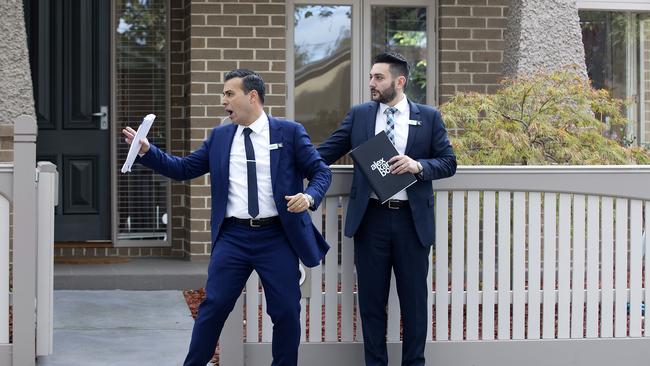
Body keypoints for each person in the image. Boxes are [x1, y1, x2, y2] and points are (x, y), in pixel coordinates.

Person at [122, 69, 331, 366]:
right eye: (223, 95)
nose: (223, 101)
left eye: (229, 94)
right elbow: (184, 169)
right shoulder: (221, 136)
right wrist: (148, 151)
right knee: (214, 305)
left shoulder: (289, 132)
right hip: (233, 236)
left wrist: (309, 197)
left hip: (277, 236)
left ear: (253, 96)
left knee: (285, 310)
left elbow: (321, 171)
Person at [317, 52, 456, 366]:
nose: (371, 83)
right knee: (371, 304)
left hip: (412, 222)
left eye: (378, 77)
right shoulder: (360, 115)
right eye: (370, 77)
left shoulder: (429, 117)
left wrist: (417, 165)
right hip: (371, 220)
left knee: (415, 305)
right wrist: (288, 158)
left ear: (400, 81)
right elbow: (325, 151)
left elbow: (449, 163)